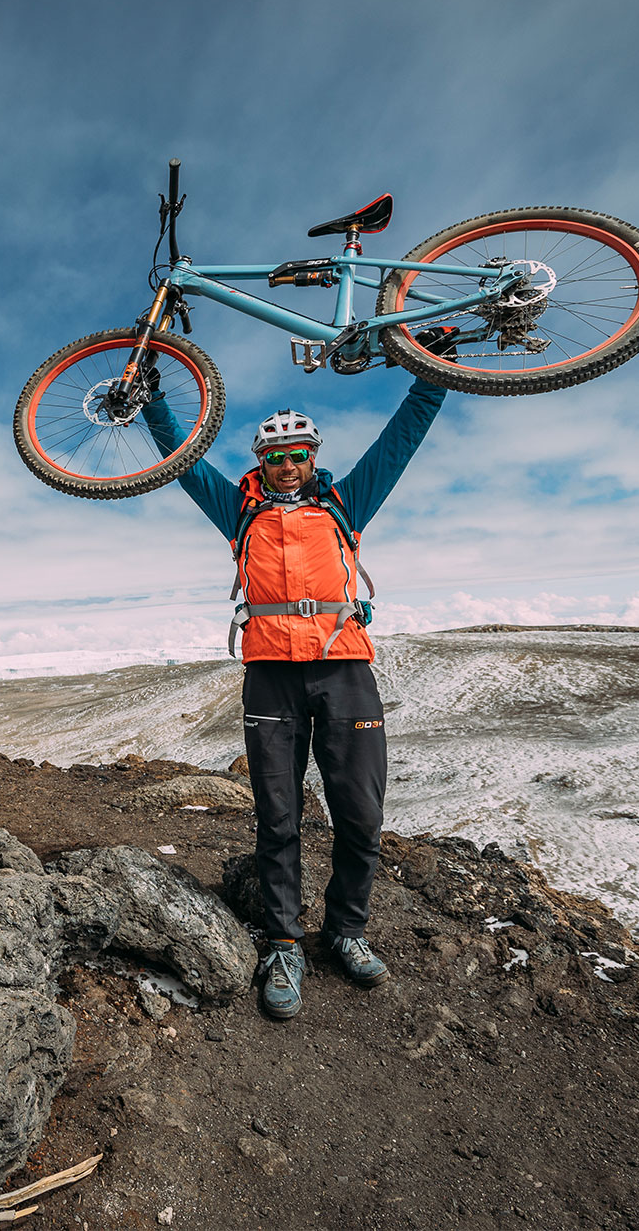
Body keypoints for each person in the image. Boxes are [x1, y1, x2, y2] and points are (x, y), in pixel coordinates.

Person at [146, 376, 445, 1019]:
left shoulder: (346, 503)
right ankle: (284, 942)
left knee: (361, 815)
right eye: (274, 457)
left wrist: (432, 377)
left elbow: (400, 442)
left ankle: (346, 929)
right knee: (278, 816)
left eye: (298, 455)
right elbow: (183, 461)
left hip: (344, 668)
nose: (287, 466)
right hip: (271, 675)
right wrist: (152, 400)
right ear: (260, 463)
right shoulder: (240, 512)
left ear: (314, 456)